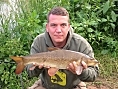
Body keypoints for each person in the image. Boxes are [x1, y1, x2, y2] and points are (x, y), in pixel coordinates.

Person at [26, 6, 99, 89]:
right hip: (45, 86)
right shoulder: (39, 42)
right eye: (53, 25)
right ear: (47, 27)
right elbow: (29, 72)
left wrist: (81, 71)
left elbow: (94, 74)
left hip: (73, 86)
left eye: (63, 25)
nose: (58, 30)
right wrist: (38, 68)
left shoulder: (81, 44)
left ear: (68, 27)